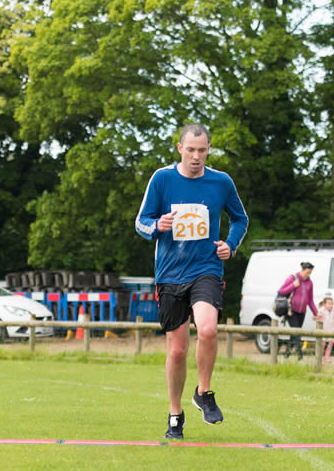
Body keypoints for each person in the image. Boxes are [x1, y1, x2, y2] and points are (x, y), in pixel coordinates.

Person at [135, 123, 249, 440]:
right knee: (177, 351)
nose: (196, 156)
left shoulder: (221, 182)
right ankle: (175, 414)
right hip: (170, 273)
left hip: (206, 267)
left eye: (202, 150)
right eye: (191, 150)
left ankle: (205, 392)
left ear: (208, 149)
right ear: (179, 148)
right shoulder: (162, 179)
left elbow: (241, 218)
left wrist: (231, 244)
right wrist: (158, 224)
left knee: (209, 328)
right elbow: (140, 223)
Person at [277, 262, 316, 360]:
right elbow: (281, 291)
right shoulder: (292, 278)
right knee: (297, 334)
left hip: (302, 312)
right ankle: (300, 357)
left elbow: (310, 300)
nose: (308, 275)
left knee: (294, 335)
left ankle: (286, 357)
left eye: (310, 273)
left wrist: (316, 312)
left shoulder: (310, 283)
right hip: (291, 310)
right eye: (307, 272)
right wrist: (293, 285)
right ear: (302, 270)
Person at [316, 297, 334, 365]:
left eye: (332, 304)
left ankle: (327, 357)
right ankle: (321, 358)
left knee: (330, 343)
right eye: (329, 304)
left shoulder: (333, 310)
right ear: (324, 304)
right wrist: (317, 317)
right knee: (323, 344)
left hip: (331, 329)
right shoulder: (321, 310)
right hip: (323, 329)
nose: (331, 305)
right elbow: (315, 317)